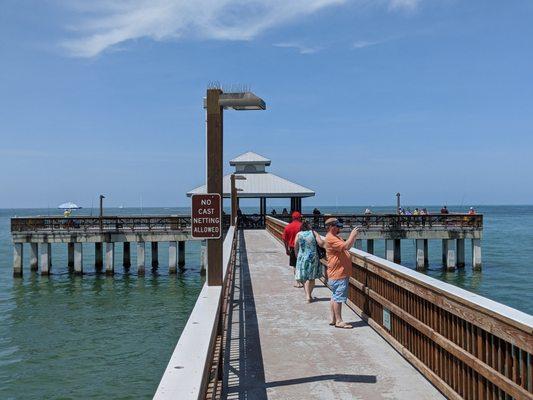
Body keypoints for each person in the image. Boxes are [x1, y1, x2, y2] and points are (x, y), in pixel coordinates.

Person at [324, 217, 360, 329]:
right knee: (338, 297)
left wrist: (352, 238)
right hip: (338, 273)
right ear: (330, 227)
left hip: (336, 272)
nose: (339, 228)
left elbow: (346, 248)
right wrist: (353, 235)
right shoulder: (331, 238)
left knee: (335, 296)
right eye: (337, 226)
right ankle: (339, 321)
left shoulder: (335, 237)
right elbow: (346, 246)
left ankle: (334, 319)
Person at [294, 220, 325, 302]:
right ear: (309, 226)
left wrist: (297, 255)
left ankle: (308, 295)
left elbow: (295, 246)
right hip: (312, 257)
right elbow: (321, 243)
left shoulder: (299, 234)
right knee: (311, 278)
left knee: (305, 278)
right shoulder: (313, 233)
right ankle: (309, 295)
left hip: (302, 257)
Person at [282, 211, 303, 287]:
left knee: (295, 265)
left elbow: (284, 239)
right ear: (299, 217)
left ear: (292, 218)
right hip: (303, 248)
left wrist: (286, 249)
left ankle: (298, 282)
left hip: (292, 248)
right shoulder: (302, 226)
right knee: (302, 265)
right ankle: (303, 280)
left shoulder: (288, 227)